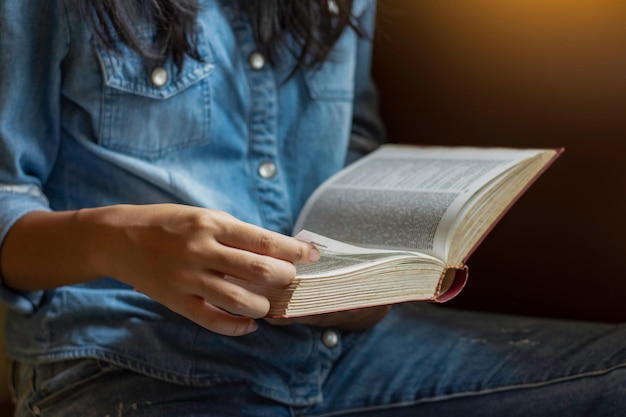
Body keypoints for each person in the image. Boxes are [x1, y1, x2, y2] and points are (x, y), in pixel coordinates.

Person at [1, 0, 625, 416]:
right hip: (126, 363)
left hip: (346, 349)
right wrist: (117, 241)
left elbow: (354, 136)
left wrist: (366, 275)